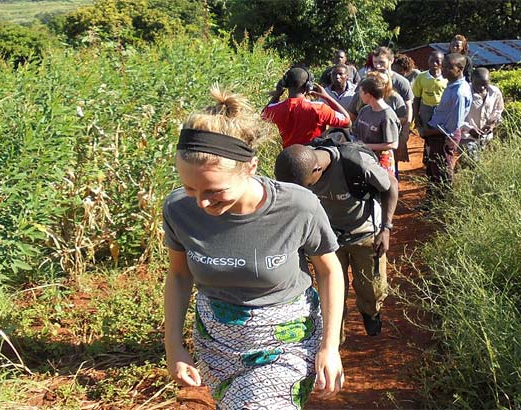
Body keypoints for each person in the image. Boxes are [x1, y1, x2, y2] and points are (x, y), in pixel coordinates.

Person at [164, 86, 345, 409]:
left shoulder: (297, 206)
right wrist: (173, 346)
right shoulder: (178, 209)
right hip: (217, 343)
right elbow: (179, 276)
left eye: (215, 191)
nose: (202, 202)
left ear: (250, 167)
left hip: (286, 338)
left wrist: (329, 347)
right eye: (190, 188)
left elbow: (329, 271)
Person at [274, 141, 398, 340]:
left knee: (373, 288)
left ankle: (370, 312)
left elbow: (390, 184)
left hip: (364, 234)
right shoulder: (298, 169)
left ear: (317, 170)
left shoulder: (357, 164)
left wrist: (386, 228)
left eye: (307, 186)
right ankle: (334, 341)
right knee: (332, 293)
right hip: (328, 241)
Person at [419, 53, 472, 201]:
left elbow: (452, 125)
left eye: (449, 67)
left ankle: (443, 204)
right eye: (444, 66)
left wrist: (429, 131)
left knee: (442, 172)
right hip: (435, 133)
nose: (443, 70)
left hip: (443, 137)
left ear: (460, 69)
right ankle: (430, 203)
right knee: (432, 170)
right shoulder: (452, 85)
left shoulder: (459, 92)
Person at [263, 67, 351, 148]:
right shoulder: (319, 108)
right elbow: (347, 122)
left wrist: (277, 94)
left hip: (288, 152)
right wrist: (327, 97)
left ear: (285, 84)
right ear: (308, 86)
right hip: (314, 156)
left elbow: (263, 115)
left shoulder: (275, 109)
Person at [353, 76, 401, 175]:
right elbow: (355, 131)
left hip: (381, 161)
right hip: (363, 157)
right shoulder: (365, 110)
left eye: (361, 92)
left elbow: (393, 144)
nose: (360, 95)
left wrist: (365, 146)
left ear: (369, 94)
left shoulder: (387, 116)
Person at [412, 52, 448, 177]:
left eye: (437, 61)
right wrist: (416, 117)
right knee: (426, 134)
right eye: (432, 60)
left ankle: (439, 158)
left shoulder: (446, 78)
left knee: (439, 134)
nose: (434, 64)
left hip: (440, 110)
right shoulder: (421, 77)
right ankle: (428, 157)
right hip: (426, 109)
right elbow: (416, 98)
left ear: (443, 63)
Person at [460, 67, 504, 164]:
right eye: (478, 84)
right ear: (471, 80)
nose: (482, 88)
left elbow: (498, 111)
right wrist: (469, 129)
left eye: (485, 84)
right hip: (467, 136)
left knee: (482, 162)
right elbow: (456, 117)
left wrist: (491, 125)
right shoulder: (464, 93)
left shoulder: (495, 92)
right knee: (474, 162)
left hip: (486, 137)